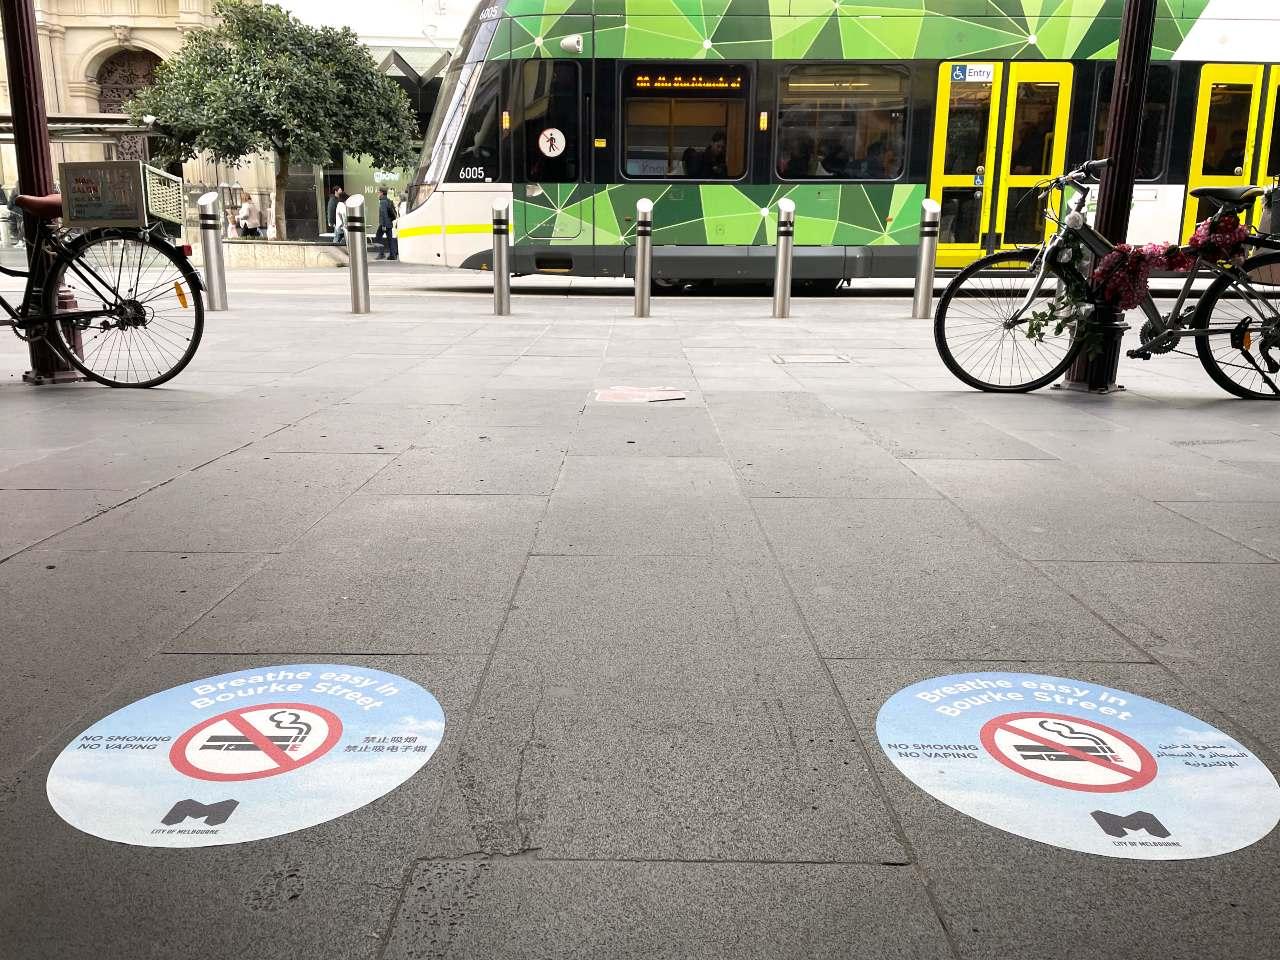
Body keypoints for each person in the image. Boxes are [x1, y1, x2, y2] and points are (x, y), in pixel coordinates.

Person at [375, 187, 398, 261]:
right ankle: (393, 255)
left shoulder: (383, 201)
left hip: (384, 223)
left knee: (378, 236)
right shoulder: (388, 200)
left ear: (381, 192)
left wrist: (383, 225)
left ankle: (381, 253)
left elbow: (384, 214)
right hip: (389, 223)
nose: (377, 193)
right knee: (390, 239)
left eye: (378, 192)